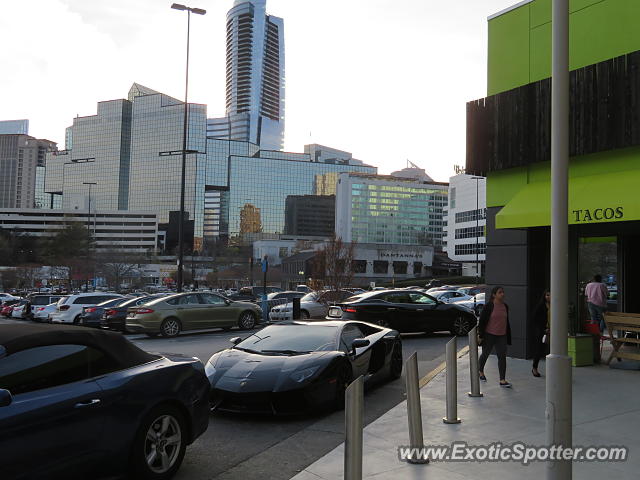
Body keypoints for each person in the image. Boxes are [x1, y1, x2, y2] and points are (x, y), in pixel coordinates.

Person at [478, 286, 512, 387]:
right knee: (485, 354)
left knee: (502, 357)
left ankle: (502, 379)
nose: (503, 294)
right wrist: (481, 335)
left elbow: (506, 321)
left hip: (502, 336)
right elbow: (482, 321)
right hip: (489, 335)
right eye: (500, 292)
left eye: (503, 292)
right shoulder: (489, 306)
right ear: (494, 295)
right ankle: (480, 371)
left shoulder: (505, 306)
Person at [531, 290, 550, 377]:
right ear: (544, 296)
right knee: (539, 349)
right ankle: (534, 368)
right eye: (547, 295)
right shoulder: (541, 306)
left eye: (550, 295)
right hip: (542, 331)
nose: (548, 297)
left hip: (552, 330)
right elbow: (535, 318)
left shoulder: (554, 305)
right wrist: (543, 329)